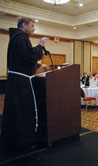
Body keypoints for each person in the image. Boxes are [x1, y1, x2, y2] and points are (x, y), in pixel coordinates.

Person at [1, 18, 48, 152]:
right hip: (21, 83)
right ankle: (24, 141)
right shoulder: (21, 37)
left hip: (16, 80)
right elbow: (28, 55)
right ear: (23, 25)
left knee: (17, 111)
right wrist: (40, 45)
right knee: (23, 111)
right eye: (32, 26)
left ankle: (13, 140)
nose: (34, 28)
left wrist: (39, 65)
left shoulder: (16, 38)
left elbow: (22, 59)